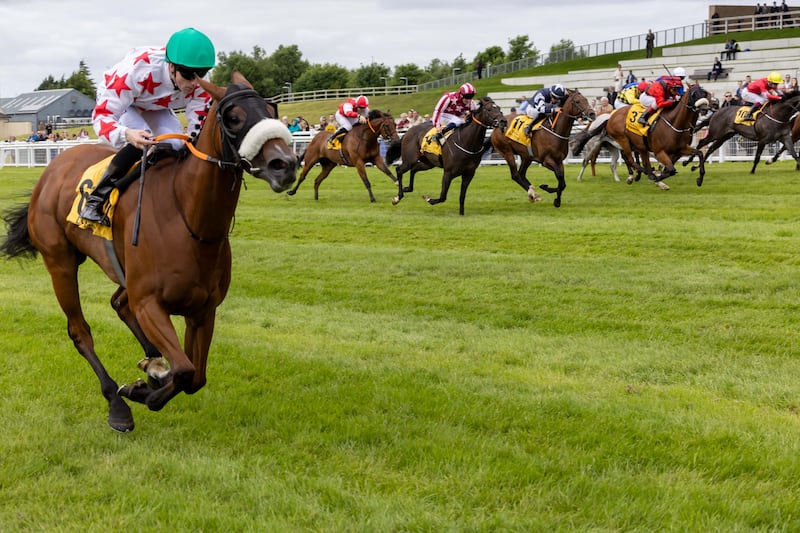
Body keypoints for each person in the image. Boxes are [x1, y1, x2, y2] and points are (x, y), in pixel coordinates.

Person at [80, 27, 215, 225]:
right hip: (123, 101)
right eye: (188, 75)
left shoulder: (199, 82)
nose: (195, 83)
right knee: (146, 140)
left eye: (201, 74)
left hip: (155, 104)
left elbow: (196, 129)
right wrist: (126, 134)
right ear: (171, 67)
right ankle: (96, 199)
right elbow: (102, 117)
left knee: (176, 144)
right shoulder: (135, 71)